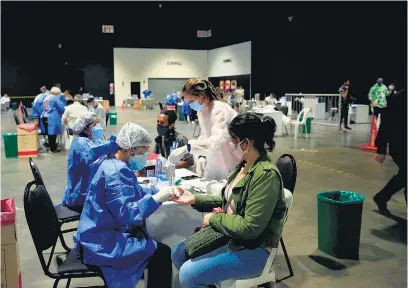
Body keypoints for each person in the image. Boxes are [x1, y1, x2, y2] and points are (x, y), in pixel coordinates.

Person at [171, 114, 287, 287]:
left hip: (256, 248)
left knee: (188, 274)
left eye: (233, 140)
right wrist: (194, 198)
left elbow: (250, 228)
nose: (230, 144)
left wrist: (213, 218)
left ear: (246, 143)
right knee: (178, 252)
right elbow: (227, 199)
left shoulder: (266, 176)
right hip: (234, 237)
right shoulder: (243, 165)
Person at [75, 122, 176, 288]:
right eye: (142, 152)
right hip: (103, 241)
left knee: (153, 244)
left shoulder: (114, 163)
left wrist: (155, 192)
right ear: (130, 149)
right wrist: (157, 198)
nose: (144, 156)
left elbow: (133, 193)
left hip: (95, 232)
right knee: (161, 252)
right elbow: (127, 214)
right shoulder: (117, 172)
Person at [168, 78, 239, 181]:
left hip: (230, 158)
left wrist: (189, 147)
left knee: (227, 187)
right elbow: (205, 136)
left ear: (201, 96)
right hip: (214, 160)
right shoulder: (202, 110)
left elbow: (216, 141)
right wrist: (201, 155)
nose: (189, 104)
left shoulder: (219, 109)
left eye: (191, 100)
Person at [62, 112, 118, 213]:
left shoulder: (94, 140)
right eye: (95, 124)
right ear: (85, 128)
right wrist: (113, 144)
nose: (99, 127)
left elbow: (102, 146)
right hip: (80, 196)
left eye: (98, 123)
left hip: (89, 191)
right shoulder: (80, 143)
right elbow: (93, 153)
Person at [373, 86, 406, 215]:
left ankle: (381, 198)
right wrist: (381, 149)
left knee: (404, 176)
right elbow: (385, 124)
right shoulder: (397, 99)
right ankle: (381, 198)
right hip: (400, 145)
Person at [41, 87, 65, 153]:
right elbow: (61, 107)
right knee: (53, 132)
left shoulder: (46, 97)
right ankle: (53, 148)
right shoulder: (54, 98)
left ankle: (51, 146)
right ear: (56, 93)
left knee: (49, 132)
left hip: (44, 115)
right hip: (52, 116)